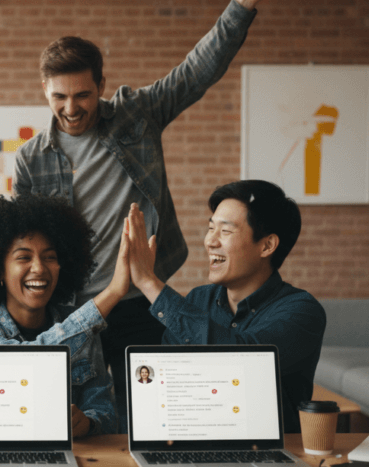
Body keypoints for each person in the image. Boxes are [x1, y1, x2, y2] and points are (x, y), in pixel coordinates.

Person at [13, 0, 288, 431]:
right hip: (70, 307)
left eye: (83, 94)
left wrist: (243, 2)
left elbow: (195, 72)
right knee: (67, 419)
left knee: (144, 416)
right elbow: (25, 242)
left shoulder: (136, 115)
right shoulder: (30, 160)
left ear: (101, 84)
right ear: (45, 90)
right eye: (59, 96)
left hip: (139, 299)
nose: (72, 107)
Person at [126, 180, 325, 433]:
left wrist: (148, 282)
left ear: (267, 245)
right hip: (192, 439)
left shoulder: (302, 311)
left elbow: (242, 360)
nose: (210, 241)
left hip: (270, 450)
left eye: (226, 231)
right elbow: (167, 378)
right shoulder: (199, 300)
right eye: (211, 228)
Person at [0, 195, 130, 437]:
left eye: (50, 257)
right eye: (24, 257)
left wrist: (86, 422)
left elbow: (107, 415)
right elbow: (29, 362)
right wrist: (112, 293)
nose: (39, 268)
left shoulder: (83, 330)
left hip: (71, 458)